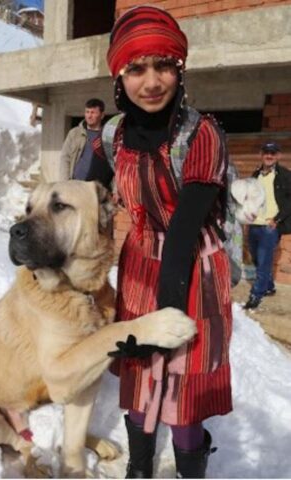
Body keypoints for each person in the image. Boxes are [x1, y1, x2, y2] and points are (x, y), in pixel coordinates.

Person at [89, 6, 233, 478]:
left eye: (164, 65)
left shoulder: (200, 134)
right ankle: (140, 467)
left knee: (182, 382)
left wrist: (163, 318)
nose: (152, 81)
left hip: (194, 270)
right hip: (138, 267)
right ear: (119, 75)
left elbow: (184, 232)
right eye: (136, 68)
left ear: (180, 69)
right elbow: (86, 204)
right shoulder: (111, 136)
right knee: (138, 376)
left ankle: (191, 468)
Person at [244, 141, 291, 309]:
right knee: (257, 259)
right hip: (254, 224)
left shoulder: (285, 175)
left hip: (270, 226)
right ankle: (269, 286)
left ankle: (256, 295)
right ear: (261, 154)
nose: (269, 156)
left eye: (273, 153)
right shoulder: (255, 174)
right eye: (266, 152)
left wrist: (277, 219)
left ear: (278, 156)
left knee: (264, 261)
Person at [59, 98, 106, 182]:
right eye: (87, 112)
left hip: (97, 188)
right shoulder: (74, 133)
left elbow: (114, 163)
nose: (89, 116)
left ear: (102, 115)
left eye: (93, 112)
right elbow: (65, 158)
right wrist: (64, 183)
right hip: (75, 185)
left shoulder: (107, 136)